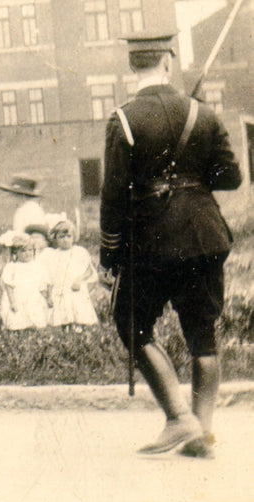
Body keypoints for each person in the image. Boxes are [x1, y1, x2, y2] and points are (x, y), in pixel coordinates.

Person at [99, 31, 241, 458]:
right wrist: (192, 176)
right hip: (204, 235)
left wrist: (110, 250)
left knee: (132, 324)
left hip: (150, 241)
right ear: (168, 63)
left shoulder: (123, 119)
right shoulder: (203, 113)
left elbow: (113, 194)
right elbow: (231, 177)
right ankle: (202, 434)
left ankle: (180, 419)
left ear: (133, 67)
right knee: (203, 333)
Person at [43, 215, 98, 329]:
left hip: (76, 287)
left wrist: (80, 279)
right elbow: (49, 277)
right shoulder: (53, 255)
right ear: (55, 238)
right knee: (63, 308)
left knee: (78, 307)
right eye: (61, 237)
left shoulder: (80, 252)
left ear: (74, 237)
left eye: (69, 236)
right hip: (61, 288)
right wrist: (48, 295)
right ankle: (66, 328)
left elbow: (89, 271)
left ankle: (79, 328)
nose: (65, 239)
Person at [0, 233, 51, 330]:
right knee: (17, 319)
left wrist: (46, 297)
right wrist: (12, 301)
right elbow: (8, 285)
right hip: (17, 296)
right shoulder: (12, 266)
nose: (27, 253)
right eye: (23, 251)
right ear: (15, 253)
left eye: (30, 250)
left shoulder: (37, 266)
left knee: (36, 316)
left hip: (32, 295)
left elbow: (42, 284)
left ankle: (35, 329)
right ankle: (17, 330)